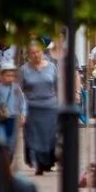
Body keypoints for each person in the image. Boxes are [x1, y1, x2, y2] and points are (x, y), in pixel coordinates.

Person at [21, 40, 60, 175]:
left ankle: (47, 162)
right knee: (33, 137)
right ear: (28, 55)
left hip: (50, 107)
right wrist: (22, 111)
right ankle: (37, 163)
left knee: (49, 137)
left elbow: (57, 87)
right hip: (32, 108)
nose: (35, 55)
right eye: (32, 53)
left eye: (37, 52)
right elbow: (20, 91)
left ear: (42, 52)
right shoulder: (24, 69)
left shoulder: (52, 67)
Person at [0, 61, 27, 161]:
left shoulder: (16, 87)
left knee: (11, 143)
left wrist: (23, 113)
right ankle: (1, 162)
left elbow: (23, 101)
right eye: (7, 75)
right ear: (1, 76)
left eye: (12, 76)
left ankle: (8, 162)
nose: (10, 78)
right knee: (1, 140)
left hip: (13, 118)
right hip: (0, 119)